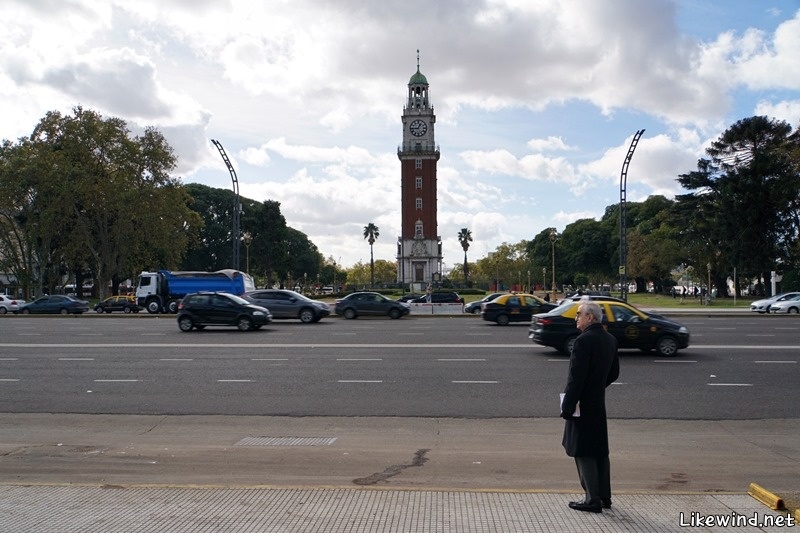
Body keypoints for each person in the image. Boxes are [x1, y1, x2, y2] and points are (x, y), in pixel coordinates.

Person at [560, 297, 620, 513]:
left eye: (579, 314)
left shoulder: (583, 341)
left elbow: (576, 379)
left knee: (583, 449)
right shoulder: (610, 339)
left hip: (582, 405)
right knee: (600, 449)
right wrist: (597, 386)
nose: (576, 318)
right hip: (598, 402)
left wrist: (567, 405)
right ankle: (604, 496)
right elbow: (614, 373)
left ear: (590, 317)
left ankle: (591, 499)